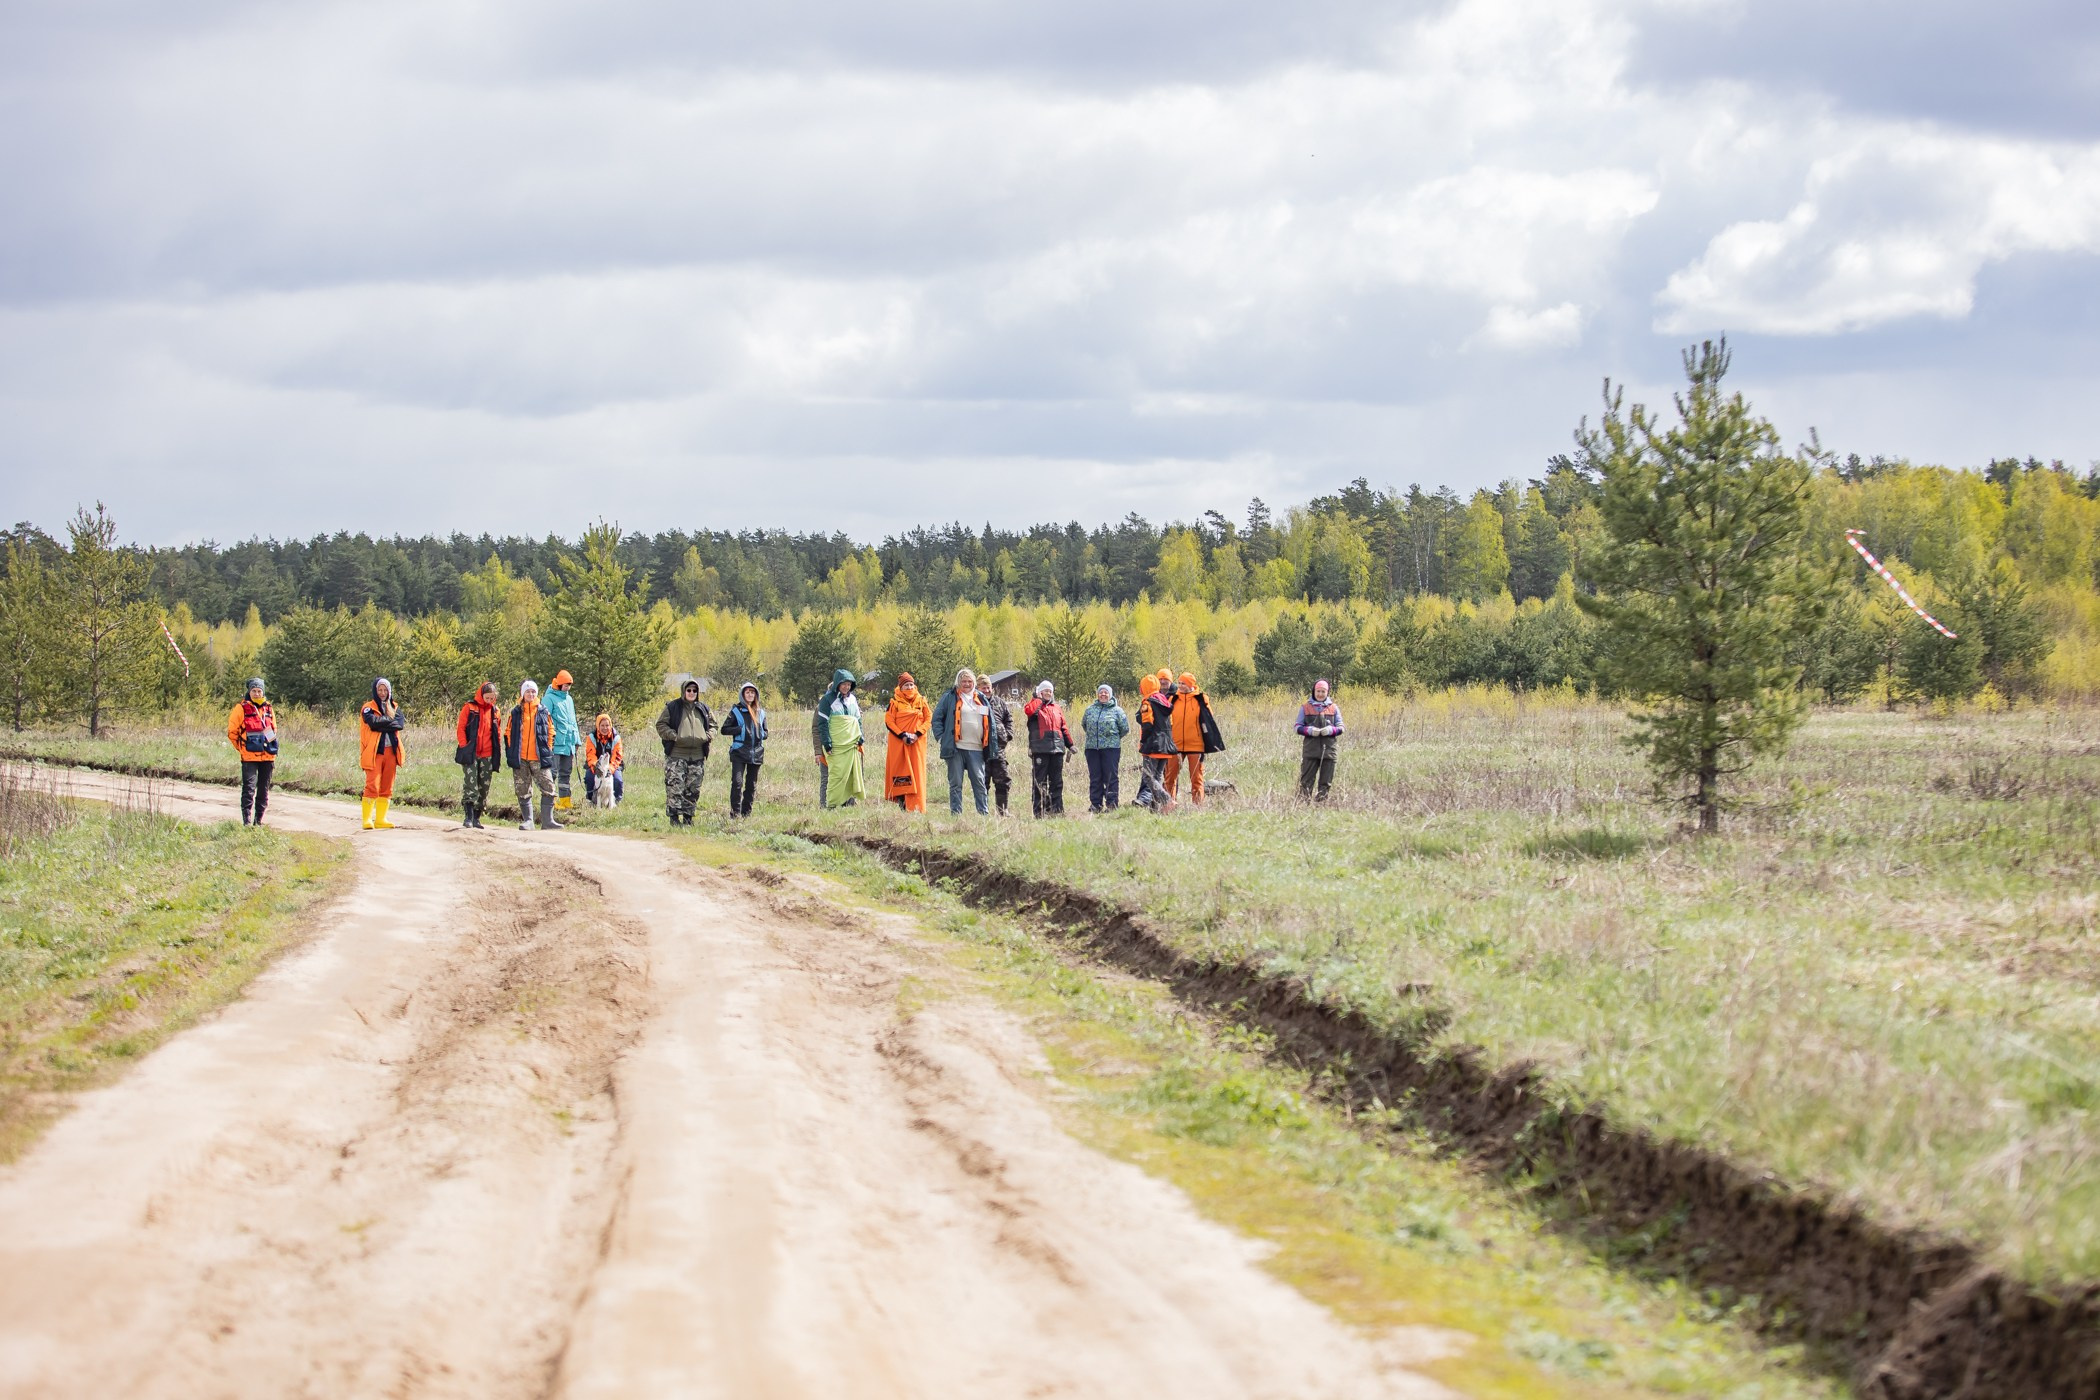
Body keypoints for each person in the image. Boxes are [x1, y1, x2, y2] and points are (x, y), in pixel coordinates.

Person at [654, 678, 714, 827]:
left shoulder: (703, 709)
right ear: (683, 691)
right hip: (677, 755)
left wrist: (709, 736)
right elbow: (661, 725)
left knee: (693, 789)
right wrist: (674, 736)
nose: (692, 693)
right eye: (689, 690)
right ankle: (674, 819)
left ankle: (688, 818)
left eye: (694, 690)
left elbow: (714, 725)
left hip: (697, 755)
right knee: (675, 788)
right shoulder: (673, 707)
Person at [931, 668, 992, 816]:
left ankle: (983, 813)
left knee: (979, 782)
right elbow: (937, 718)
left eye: (970, 681)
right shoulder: (949, 697)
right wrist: (942, 738)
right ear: (958, 682)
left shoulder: (981, 698)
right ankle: (956, 815)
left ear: (974, 683)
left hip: (977, 748)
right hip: (956, 748)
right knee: (956, 783)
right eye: (963, 681)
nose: (967, 684)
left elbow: (991, 722)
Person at [1164, 671, 1226, 806]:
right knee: (1170, 778)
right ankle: (1168, 805)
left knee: (1196, 779)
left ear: (1191, 685)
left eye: (1183, 683)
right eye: (1179, 683)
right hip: (1175, 745)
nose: (1180, 686)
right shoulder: (1173, 699)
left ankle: (1197, 807)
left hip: (1196, 745)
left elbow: (1209, 719)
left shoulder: (1201, 699)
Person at [506, 680, 560, 831]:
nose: (531, 694)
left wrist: (548, 748)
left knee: (549, 786)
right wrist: (511, 751)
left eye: (533, 692)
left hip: (539, 757)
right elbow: (508, 733)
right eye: (528, 691)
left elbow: (551, 731)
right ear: (523, 694)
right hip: (520, 757)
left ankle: (548, 821)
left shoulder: (543, 711)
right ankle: (528, 821)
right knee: (522, 789)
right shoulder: (516, 712)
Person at [226, 676, 278, 826]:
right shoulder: (240, 708)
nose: (256, 693)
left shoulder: (269, 708)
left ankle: (258, 822)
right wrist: (241, 748)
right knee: (248, 789)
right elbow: (232, 732)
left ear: (263, 692)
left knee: (263, 791)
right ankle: (247, 822)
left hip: (268, 757)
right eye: (254, 691)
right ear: (249, 692)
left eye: (259, 691)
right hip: (248, 756)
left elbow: (273, 730)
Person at [1022, 680, 1076, 817]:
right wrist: (1037, 698)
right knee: (1039, 782)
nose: (1048, 693)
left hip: (1057, 749)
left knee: (1056, 782)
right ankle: (1040, 812)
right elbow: (1029, 711)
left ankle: (1056, 811)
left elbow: (1063, 728)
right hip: (1040, 749)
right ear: (1040, 692)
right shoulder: (1035, 705)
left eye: (1050, 691)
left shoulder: (1056, 708)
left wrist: (1070, 744)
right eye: (1045, 690)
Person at [358, 677, 406, 830]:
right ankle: (367, 819)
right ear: (375, 691)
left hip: (391, 752)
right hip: (374, 752)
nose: (383, 693)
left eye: (385, 690)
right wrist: (388, 722)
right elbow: (372, 723)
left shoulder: (395, 707)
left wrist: (381, 723)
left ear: (389, 691)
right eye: (380, 690)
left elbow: (399, 724)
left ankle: (380, 819)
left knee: (387, 786)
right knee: (372, 785)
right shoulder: (368, 707)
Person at [454, 681, 501, 828]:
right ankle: (468, 817)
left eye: (492, 698)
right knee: (470, 784)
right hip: (471, 752)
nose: (489, 700)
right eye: (487, 697)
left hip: (488, 754)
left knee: (484, 787)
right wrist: (464, 745)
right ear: (481, 695)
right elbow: (461, 728)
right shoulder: (469, 708)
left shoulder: (495, 711)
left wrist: (497, 752)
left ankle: (477, 818)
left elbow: (497, 732)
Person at [818, 669, 867, 808]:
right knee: (837, 775)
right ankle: (832, 804)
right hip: (836, 745)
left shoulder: (852, 699)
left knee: (850, 775)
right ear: (837, 684)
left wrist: (860, 737)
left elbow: (857, 720)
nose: (846, 687)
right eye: (843, 684)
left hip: (851, 744)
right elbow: (822, 723)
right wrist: (827, 743)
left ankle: (847, 805)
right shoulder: (827, 700)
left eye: (849, 684)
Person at [883, 673, 932, 813]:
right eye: (906, 685)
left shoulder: (922, 701)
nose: (909, 687)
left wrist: (917, 734)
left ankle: (917, 807)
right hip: (899, 744)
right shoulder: (894, 702)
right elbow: (889, 721)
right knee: (901, 771)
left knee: (917, 773)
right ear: (900, 687)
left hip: (917, 744)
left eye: (911, 684)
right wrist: (902, 735)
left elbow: (928, 719)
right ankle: (903, 804)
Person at [720, 681, 767, 818]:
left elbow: (766, 732)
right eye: (747, 692)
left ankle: (746, 813)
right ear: (743, 694)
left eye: (752, 692)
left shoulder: (761, 713)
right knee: (737, 783)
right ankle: (735, 813)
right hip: (739, 752)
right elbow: (724, 729)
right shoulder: (736, 711)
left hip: (756, 753)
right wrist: (739, 730)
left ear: (756, 695)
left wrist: (761, 733)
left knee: (751, 785)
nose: (750, 695)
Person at [1080, 683, 1129, 812]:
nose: (1103, 694)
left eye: (1106, 692)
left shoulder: (1117, 711)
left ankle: (1112, 804)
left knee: (1110, 776)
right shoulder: (1090, 709)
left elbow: (1124, 729)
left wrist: (1111, 739)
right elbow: (1084, 724)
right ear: (1097, 694)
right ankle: (1096, 805)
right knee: (1095, 777)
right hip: (1092, 749)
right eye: (1101, 692)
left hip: (1111, 748)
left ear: (1110, 695)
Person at [1295, 678, 1344, 801]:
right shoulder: (1305, 707)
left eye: (1323, 691)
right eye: (1318, 691)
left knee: (1326, 783)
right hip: (1310, 751)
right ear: (1314, 691)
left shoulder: (1334, 708)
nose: (1320, 694)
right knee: (1306, 782)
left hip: (1329, 751)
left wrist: (1331, 730)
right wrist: (1310, 731)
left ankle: (1321, 807)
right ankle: (1303, 806)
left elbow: (1341, 727)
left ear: (1327, 692)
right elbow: (1297, 727)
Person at [1133, 673, 1175, 812]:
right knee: (1157, 776)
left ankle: (1167, 800)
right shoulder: (1164, 700)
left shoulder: (1147, 703)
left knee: (1148, 776)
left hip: (1153, 745)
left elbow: (1147, 725)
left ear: (1143, 688)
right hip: (1166, 745)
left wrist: (1144, 743)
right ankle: (1155, 808)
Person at [975, 673, 1014, 816]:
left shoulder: (1000, 702)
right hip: (981, 749)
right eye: (983, 687)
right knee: (982, 782)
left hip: (999, 749)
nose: (986, 690)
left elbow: (1008, 719)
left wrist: (1007, 734)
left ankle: (1002, 810)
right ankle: (982, 811)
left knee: (1003, 779)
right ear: (978, 688)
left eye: (988, 687)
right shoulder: (975, 702)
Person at [546, 669, 581, 811]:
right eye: (565, 685)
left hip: (568, 743)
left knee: (566, 773)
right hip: (555, 743)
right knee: (552, 773)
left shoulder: (569, 699)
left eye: (569, 686)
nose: (567, 688)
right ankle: (550, 801)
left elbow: (573, 721)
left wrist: (577, 740)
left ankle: (565, 800)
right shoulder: (549, 698)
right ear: (559, 684)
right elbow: (545, 720)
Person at [582, 712, 624, 808]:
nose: (605, 728)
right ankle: (591, 800)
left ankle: (616, 800)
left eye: (607, 725)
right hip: (596, 766)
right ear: (598, 726)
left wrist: (610, 769)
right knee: (589, 777)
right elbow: (590, 755)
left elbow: (617, 756)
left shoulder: (616, 738)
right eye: (602, 725)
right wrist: (596, 767)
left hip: (612, 766)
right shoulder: (591, 738)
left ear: (610, 725)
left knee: (617, 780)